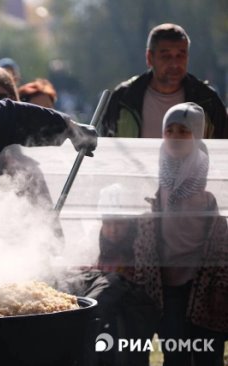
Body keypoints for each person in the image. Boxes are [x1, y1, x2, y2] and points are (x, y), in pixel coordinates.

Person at [133, 102, 228, 365]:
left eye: (184, 131)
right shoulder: (158, 172)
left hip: (204, 282)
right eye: (170, 130)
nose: (175, 137)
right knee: (174, 352)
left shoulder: (207, 171)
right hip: (167, 282)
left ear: (197, 136)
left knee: (207, 353)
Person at [102, 23, 227, 138]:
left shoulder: (207, 101)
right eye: (166, 56)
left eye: (180, 55)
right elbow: (104, 148)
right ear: (150, 58)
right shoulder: (123, 98)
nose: (174, 64)